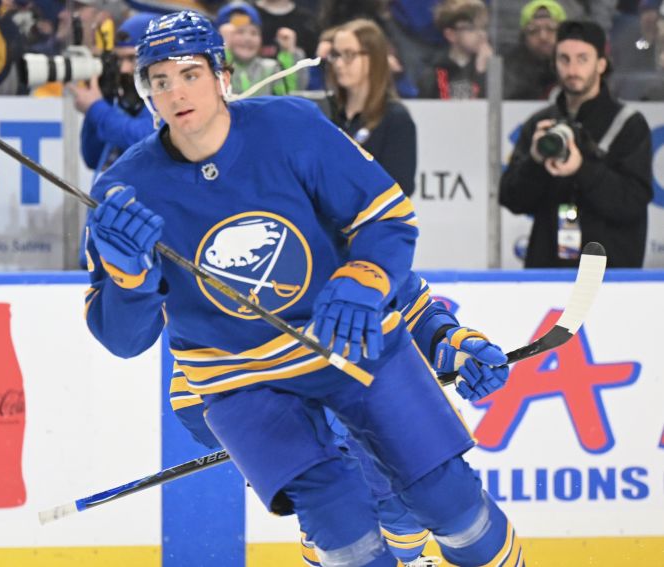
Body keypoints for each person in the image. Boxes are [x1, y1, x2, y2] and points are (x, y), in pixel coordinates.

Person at [84, 11, 524, 566]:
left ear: (222, 77)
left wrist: (416, 318)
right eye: (160, 80)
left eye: (190, 74)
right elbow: (125, 340)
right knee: (341, 524)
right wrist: (128, 281)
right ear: (147, 93)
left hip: (350, 348)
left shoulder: (290, 128)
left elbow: (384, 222)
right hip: (244, 383)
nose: (176, 92)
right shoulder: (124, 190)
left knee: (449, 500)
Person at [169, 271, 511, 567]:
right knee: (340, 515)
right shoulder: (215, 284)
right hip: (299, 431)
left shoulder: (347, 233)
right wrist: (290, 418)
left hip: (365, 400)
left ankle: (406, 556)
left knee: (406, 507)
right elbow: (192, 402)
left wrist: (449, 344)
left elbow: (415, 310)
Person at [500, 20, 653, 268]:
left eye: (582, 59)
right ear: (554, 63)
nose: (572, 69)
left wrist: (582, 168)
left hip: (607, 269)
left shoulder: (628, 124)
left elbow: (631, 202)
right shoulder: (540, 124)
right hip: (547, 269)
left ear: (601, 63)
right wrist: (534, 161)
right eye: (564, 59)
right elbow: (512, 199)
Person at [70, 11, 158, 268]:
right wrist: (104, 99)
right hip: (103, 235)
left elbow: (146, 138)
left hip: (141, 245)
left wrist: (97, 109)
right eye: (119, 60)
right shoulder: (123, 102)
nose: (124, 69)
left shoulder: (168, 100)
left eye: (132, 59)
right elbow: (92, 155)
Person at [326, 18, 418, 197]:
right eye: (335, 54)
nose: (338, 64)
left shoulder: (395, 118)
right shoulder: (329, 114)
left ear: (374, 58)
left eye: (349, 54)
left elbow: (400, 187)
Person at [215, 1, 304, 95]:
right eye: (240, 32)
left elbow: (291, 94)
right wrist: (223, 48)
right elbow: (218, 82)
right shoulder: (212, 67)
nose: (247, 39)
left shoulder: (270, 68)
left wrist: (287, 52)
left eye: (254, 33)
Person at [417, 0, 492, 100]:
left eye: (484, 27)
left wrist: (483, 71)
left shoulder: (491, 65)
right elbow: (445, 102)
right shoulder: (439, 71)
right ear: (451, 35)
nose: (481, 34)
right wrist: (480, 73)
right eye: (471, 28)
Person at [503, 0, 566, 100]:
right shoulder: (511, 68)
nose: (543, 37)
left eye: (551, 28)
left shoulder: (575, 64)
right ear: (524, 36)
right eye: (533, 30)